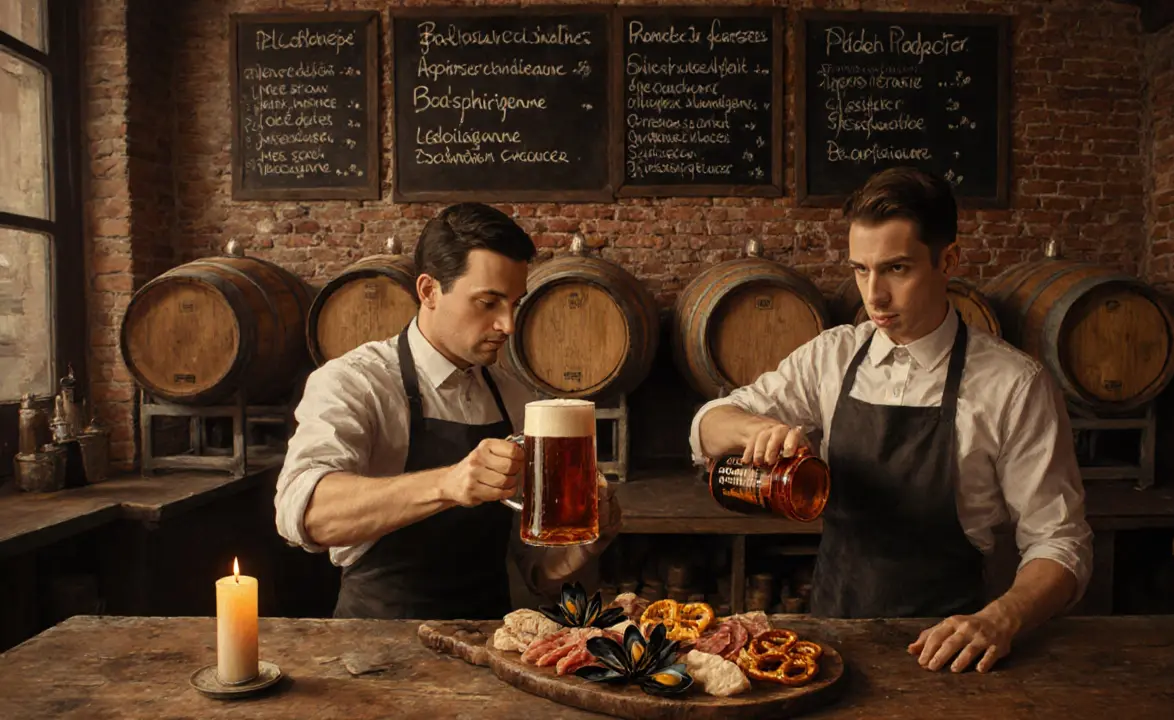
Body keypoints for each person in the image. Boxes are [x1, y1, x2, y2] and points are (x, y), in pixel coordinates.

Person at [690, 167, 1093, 673]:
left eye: (896, 269)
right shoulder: (831, 356)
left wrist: (1002, 618)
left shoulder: (1014, 383)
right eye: (861, 269)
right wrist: (755, 430)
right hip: (833, 642)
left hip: (953, 649)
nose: (873, 296)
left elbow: (1061, 541)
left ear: (948, 260)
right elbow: (707, 425)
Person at [275, 202, 620, 620]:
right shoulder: (356, 381)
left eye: (514, 303)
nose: (508, 325)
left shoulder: (512, 395)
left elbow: (537, 573)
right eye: (487, 302)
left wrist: (585, 541)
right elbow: (304, 513)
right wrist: (448, 484)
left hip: (488, 642)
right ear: (428, 291)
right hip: (377, 647)